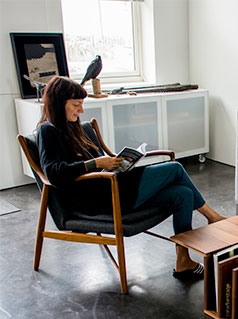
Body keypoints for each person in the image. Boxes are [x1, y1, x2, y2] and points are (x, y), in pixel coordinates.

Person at [36, 76, 225, 278]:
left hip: (110, 186)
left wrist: (116, 162)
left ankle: (183, 260)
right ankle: (213, 217)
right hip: (98, 200)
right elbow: (54, 173)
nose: (81, 110)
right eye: (76, 105)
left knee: (183, 194)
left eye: (82, 104)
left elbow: (96, 161)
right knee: (175, 168)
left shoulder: (73, 127)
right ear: (59, 102)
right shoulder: (48, 131)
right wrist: (97, 164)